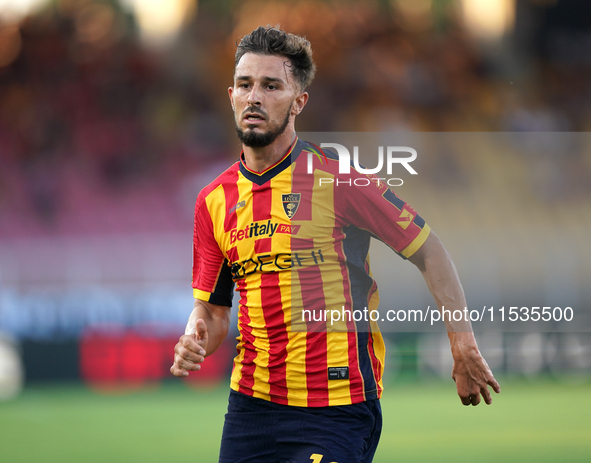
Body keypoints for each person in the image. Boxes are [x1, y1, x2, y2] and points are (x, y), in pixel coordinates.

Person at [171, 25, 500, 463]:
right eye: (246, 85)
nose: (255, 97)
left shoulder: (340, 181)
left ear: (298, 101)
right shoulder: (213, 199)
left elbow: (429, 250)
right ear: (230, 93)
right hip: (250, 411)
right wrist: (195, 336)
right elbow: (213, 312)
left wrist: (463, 344)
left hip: (335, 409)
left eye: (272, 86)